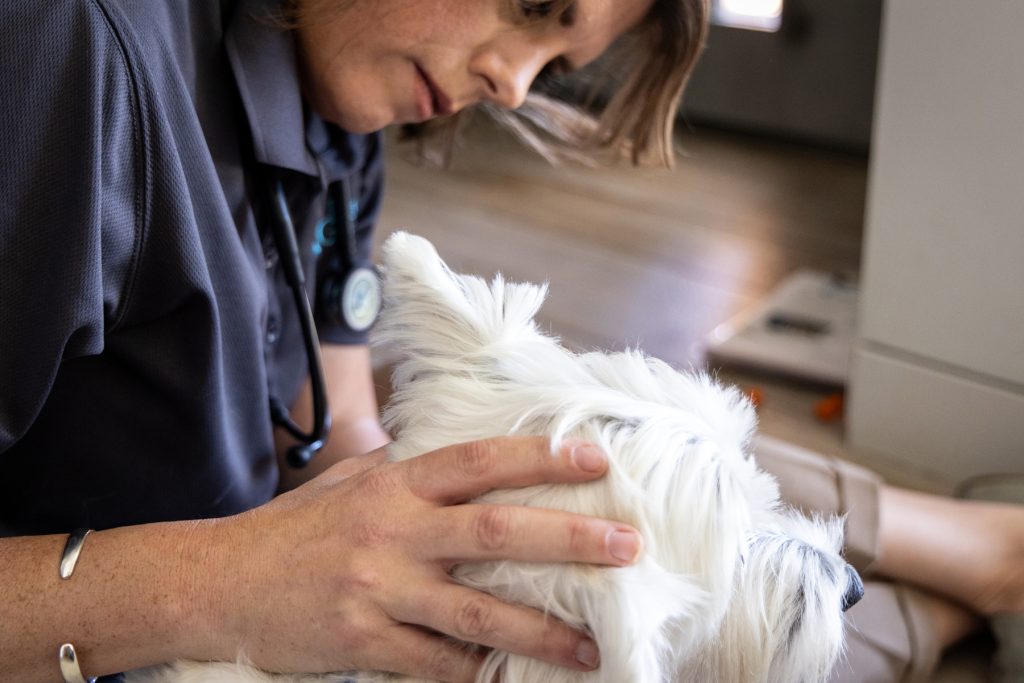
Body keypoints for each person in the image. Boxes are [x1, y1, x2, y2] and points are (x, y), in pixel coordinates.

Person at [0, 1, 1020, 682]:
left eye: (557, 61)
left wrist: (425, 525)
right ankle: (965, 590)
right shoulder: (65, 54)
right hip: (120, 618)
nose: (515, 83)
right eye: (533, 4)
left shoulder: (337, 84)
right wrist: (231, 582)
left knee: (628, 463)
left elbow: (339, 415)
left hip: (241, 533)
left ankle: (976, 566)